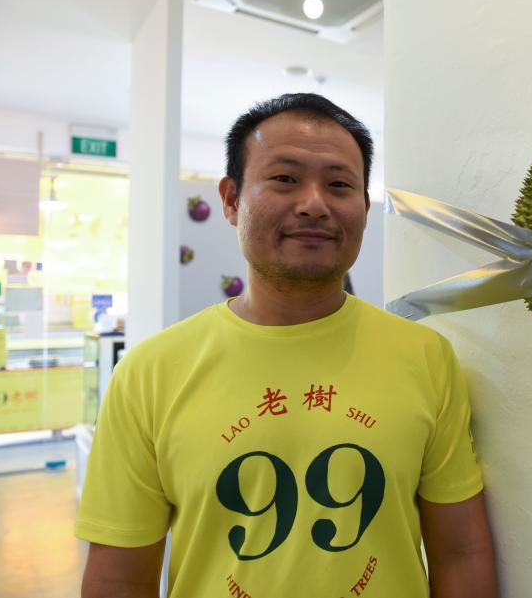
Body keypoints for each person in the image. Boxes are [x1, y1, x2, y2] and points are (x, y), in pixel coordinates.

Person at [75, 93, 498, 598]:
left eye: (340, 185)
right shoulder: (150, 372)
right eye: (285, 178)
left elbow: (461, 552)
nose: (315, 204)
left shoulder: (427, 356)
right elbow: (118, 579)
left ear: (364, 207)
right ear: (231, 200)